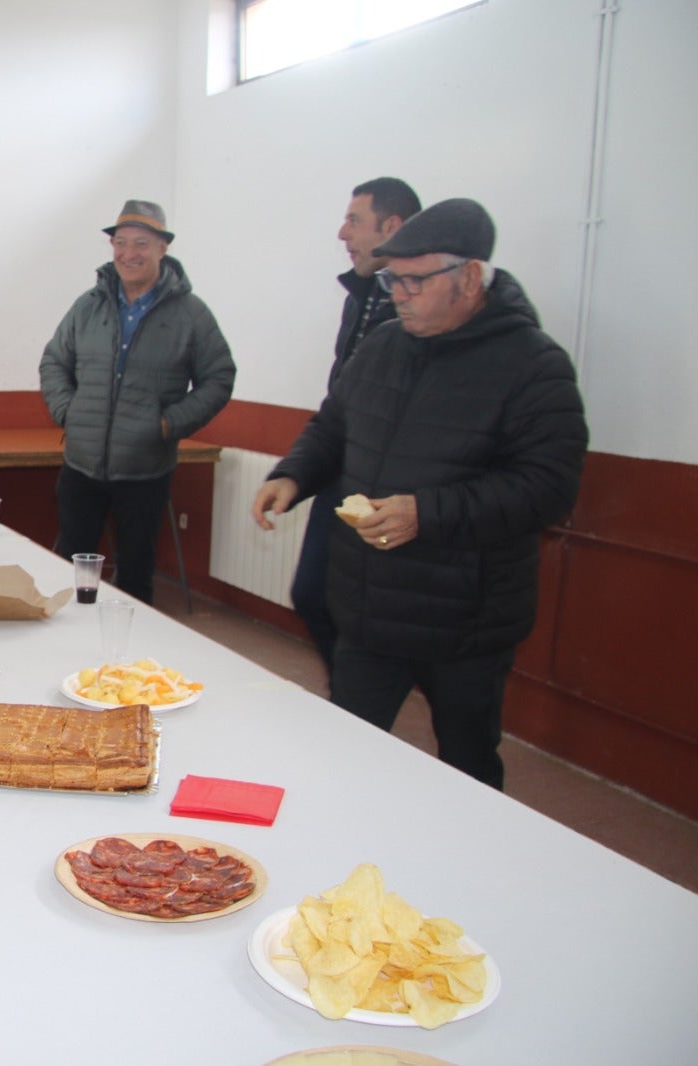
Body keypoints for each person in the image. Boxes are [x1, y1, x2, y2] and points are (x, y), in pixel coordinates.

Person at [251, 198, 588, 790]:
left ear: (470, 278)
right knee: (345, 756)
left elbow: (548, 488)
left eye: (414, 280)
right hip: (369, 607)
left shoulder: (533, 365)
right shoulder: (383, 344)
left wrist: (426, 513)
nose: (399, 294)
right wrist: (294, 474)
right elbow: (335, 423)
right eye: (392, 279)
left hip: (466, 620)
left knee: (467, 765)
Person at [39, 198, 235, 605]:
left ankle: (130, 663)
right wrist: (68, 413)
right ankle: (67, 657)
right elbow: (54, 360)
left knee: (135, 577)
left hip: (145, 470)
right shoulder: (88, 306)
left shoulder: (191, 315)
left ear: (163, 248)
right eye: (121, 242)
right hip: (81, 466)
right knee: (69, 571)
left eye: (142, 243)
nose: (129, 253)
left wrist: (166, 425)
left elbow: (219, 377)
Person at [290, 178, 421, 673]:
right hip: (342, 473)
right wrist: (297, 472)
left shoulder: (423, 317)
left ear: (393, 227)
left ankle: (355, 703)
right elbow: (339, 399)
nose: (342, 233)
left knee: (373, 617)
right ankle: (348, 697)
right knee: (311, 594)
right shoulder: (360, 296)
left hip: (395, 491)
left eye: (354, 221)